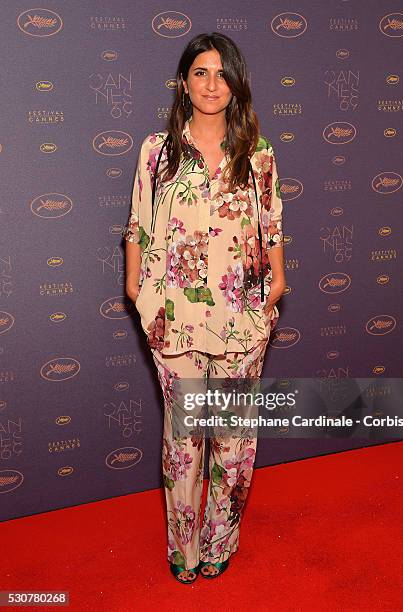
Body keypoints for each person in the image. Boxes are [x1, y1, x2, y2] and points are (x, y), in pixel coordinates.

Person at [124, 32, 286, 584]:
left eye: (222, 73)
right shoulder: (157, 151)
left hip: (243, 319)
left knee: (234, 437)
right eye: (200, 72)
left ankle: (220, 537)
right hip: (177, 321)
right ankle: (183, 544)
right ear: (184, 81)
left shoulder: (259, 154)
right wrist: (139, 293)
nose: (211, 84)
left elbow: (272, 231)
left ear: (236, 84)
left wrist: (274, 290)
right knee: (185, 438)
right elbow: (138, 228)